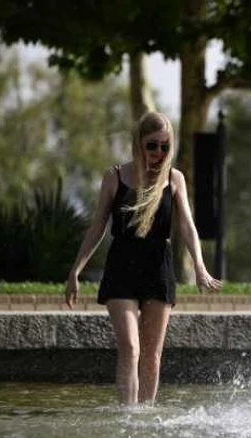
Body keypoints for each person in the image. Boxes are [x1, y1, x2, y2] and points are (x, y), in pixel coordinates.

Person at [64, 111, 222, 405]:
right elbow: (98, 225)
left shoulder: (174, 179)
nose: (159, 153)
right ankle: (128, 419)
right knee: (130, 348)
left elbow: (187, 225)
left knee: (151, 355)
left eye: (165, 146)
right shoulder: (114, 177)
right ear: (138, 143)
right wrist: (76, 270)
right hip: (122, 266)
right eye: (152, 145)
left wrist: (199, 266)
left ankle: (145, 421)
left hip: (157, 267)